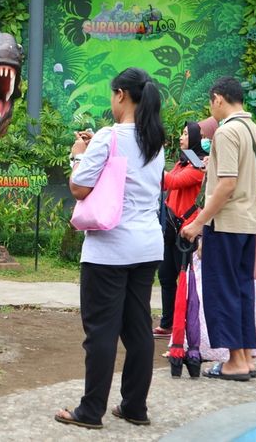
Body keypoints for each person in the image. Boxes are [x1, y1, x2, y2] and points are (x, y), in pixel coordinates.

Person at [55, 67, 165, 430]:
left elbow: (79, 188)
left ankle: (90, 411)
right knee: (138, 330)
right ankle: (135, 407)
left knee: (101, 331)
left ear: (120, 95)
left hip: (109, 248)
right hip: (147, 245)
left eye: (111, 95)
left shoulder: (109, 136)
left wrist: (78, 155)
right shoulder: (156, 140)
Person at [181, 76, 256, 382]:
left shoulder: (227, 132)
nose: (211, 108)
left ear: (218, 98)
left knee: (223, 291)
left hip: (225, 224)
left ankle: (234, 363)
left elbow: (227, 184)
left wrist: (198, 222)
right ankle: (245, 357)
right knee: (242, 290)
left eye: (211, 102)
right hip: (247, 224)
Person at [154, 121, 206, 338]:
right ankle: (167, 323)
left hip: (186, 230)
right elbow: (165, 184)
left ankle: (184, 325)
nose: (182, 137)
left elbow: (172, 182)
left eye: (185, 134)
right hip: (170, 229)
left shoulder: (198, 168)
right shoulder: (182, 163)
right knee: (166, 276)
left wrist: (150, 162)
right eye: (182, 133)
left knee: (184, 279)